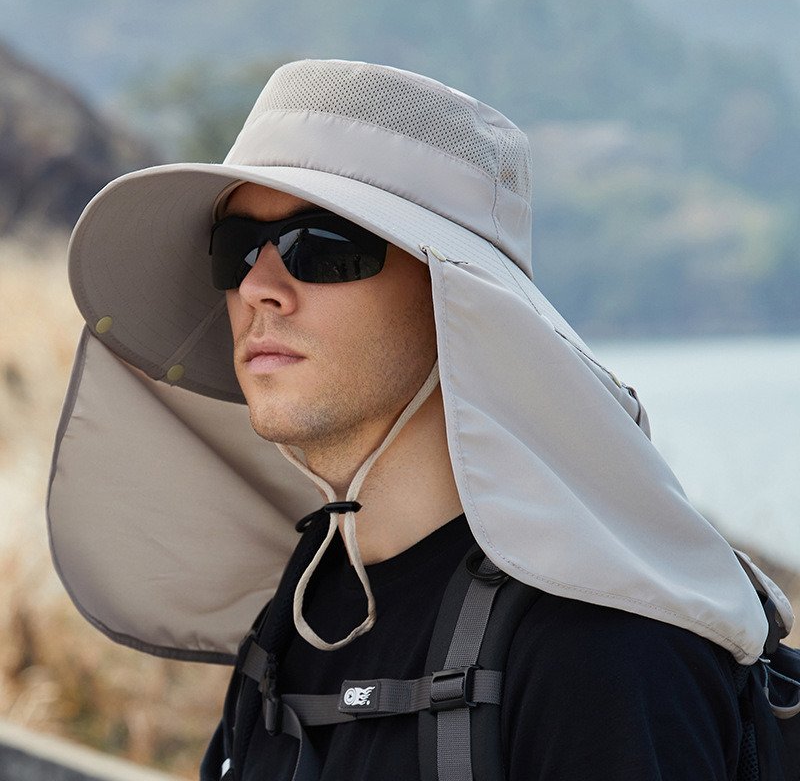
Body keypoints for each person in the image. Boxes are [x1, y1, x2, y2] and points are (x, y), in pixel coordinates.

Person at [49, 59, 793, 780]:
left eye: (324, 247)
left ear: (456, 300)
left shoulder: (602, 649)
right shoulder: (298, 616)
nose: (258, 288)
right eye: (237, 249)